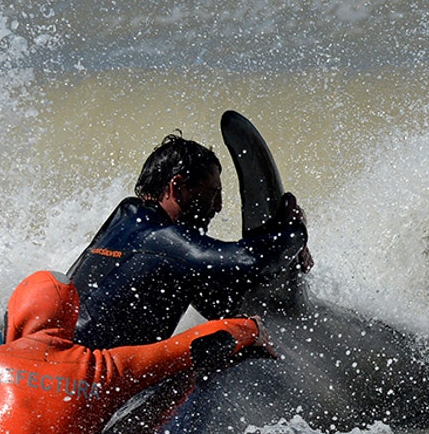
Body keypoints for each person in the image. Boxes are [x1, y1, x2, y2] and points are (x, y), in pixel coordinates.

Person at [0, 270, 271, 434]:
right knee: (175, 383)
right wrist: (250, 327)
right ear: (70, 318)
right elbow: (192, 343)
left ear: (17, 315)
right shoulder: (105, 369)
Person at [66, 132, 311, 350]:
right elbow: (251, 261)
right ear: (178, 186)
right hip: (81, 382)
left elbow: (212, 299)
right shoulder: (160, 238)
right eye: (212, 193)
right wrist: (295, 231)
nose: (218, 206)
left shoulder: (126, 216)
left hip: (41, 363)